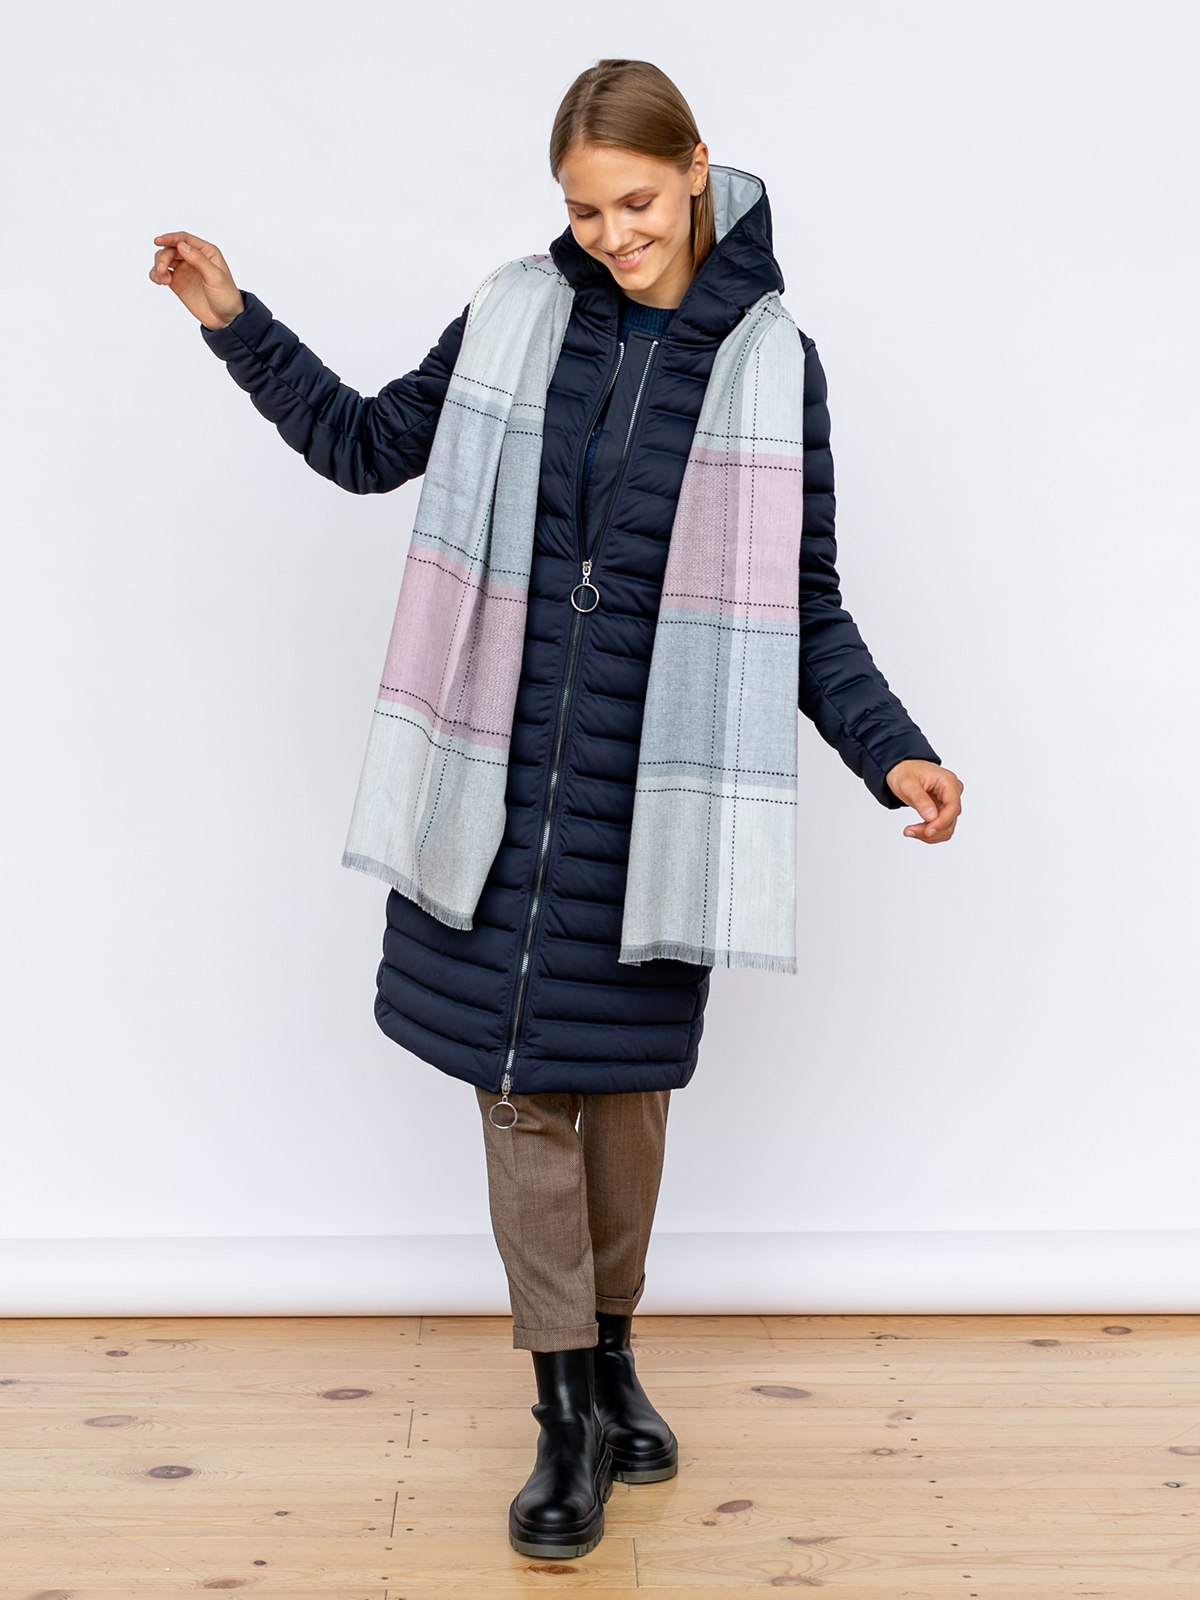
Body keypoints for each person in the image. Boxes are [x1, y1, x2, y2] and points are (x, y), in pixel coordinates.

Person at [149, 58, 962, 1559]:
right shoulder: (516, 312)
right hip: (495, 772)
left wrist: (892, 753)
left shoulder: (776, 365)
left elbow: (805, 607)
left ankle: (616, 1350)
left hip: (655, 793)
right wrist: (235, 323)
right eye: (585, 211)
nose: (613, 235)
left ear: (698, 167)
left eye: (636, 202)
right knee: (519, 1089)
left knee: (624, 1100)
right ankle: (564, 1412)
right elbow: (370, 444)